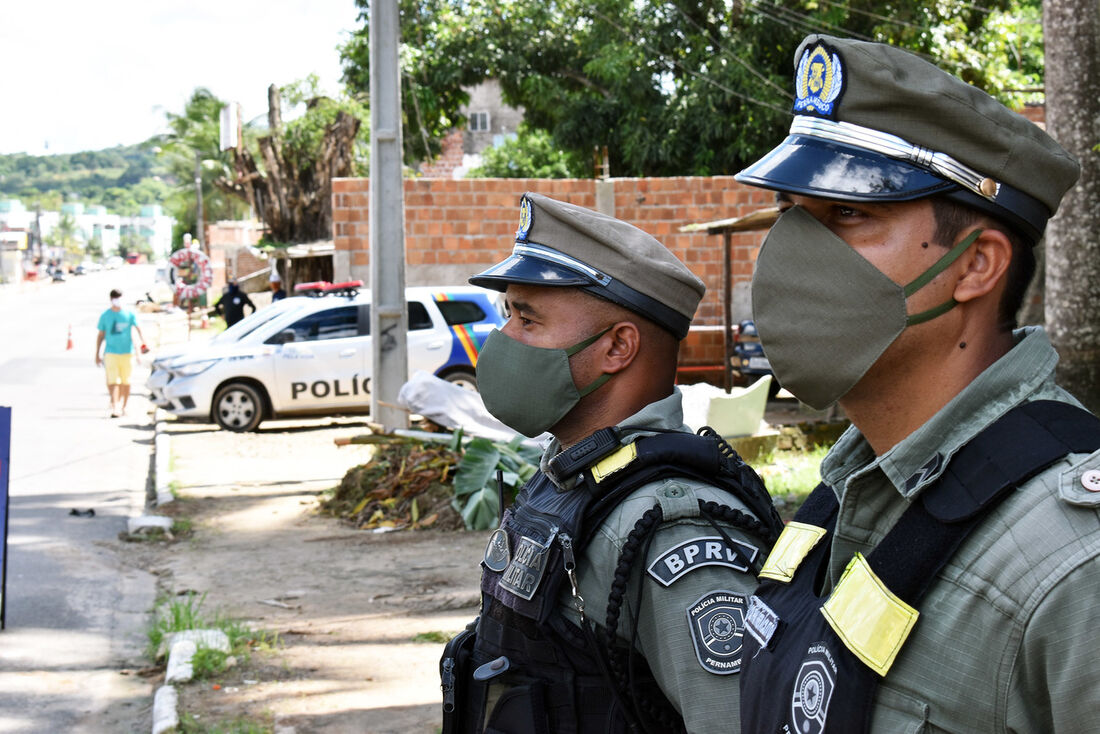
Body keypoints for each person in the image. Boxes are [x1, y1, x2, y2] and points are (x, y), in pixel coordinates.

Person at [732, 34, 1100, 733]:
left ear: (975, 266)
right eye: (790, 212)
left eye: (848, 214)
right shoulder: (839, 498)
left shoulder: (1076, 562)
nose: (790, 254)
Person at [441, 192, 782, 733]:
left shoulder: (670, 526)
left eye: (527, 319)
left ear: (617, 348)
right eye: (509, 313)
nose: (503, 339)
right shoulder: (573, 478)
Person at [95, 288, 146, 417]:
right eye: (115, 298)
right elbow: (101, 335)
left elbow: (137, 330)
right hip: (111, 352)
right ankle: (115, 406)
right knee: (113, 381)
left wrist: (142, 345)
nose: (117, 300)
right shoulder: (105, 315)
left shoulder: (129, 314)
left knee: (126, 382)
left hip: (127, 352)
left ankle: (124, 406)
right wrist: (97, 353)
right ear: (111, 299)